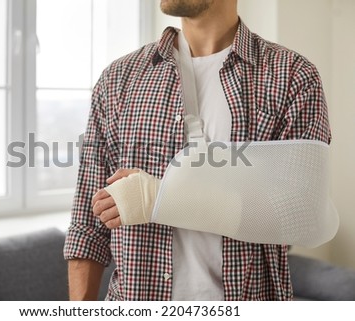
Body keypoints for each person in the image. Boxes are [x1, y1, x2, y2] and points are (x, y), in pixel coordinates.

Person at [64, 0, 331, 301]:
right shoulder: (118, 79)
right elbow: (87, 225)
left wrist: (158, 199)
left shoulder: (292, 76)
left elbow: (303, 214)